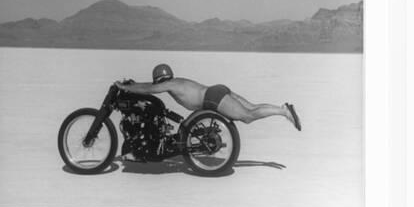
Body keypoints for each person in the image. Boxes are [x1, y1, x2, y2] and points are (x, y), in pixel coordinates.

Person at [115, 63, 301, 130]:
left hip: (211, 98)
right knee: (251, 107)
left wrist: (127, 87)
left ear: (158, 78)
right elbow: (150, 87)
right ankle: (281, 108)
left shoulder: (169, 84)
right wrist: (132, 85)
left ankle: (283, 112)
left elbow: (150, 89)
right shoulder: (176, 81)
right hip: (217, 90)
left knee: (247, 116)